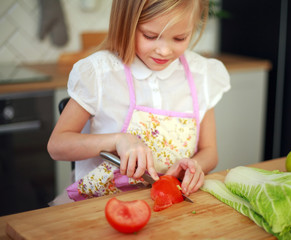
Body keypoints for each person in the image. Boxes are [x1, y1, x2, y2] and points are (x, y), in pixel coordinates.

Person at [47, 0, 230, 203]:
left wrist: (195, 166)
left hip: (169, 202)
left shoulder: (201, 75)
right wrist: (117, 140)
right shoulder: (100, 72)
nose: (164, 50)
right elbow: (57, 145)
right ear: (126, 23)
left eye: (180, 38)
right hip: (99, 206)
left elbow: (210, 152)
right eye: (150, 36)